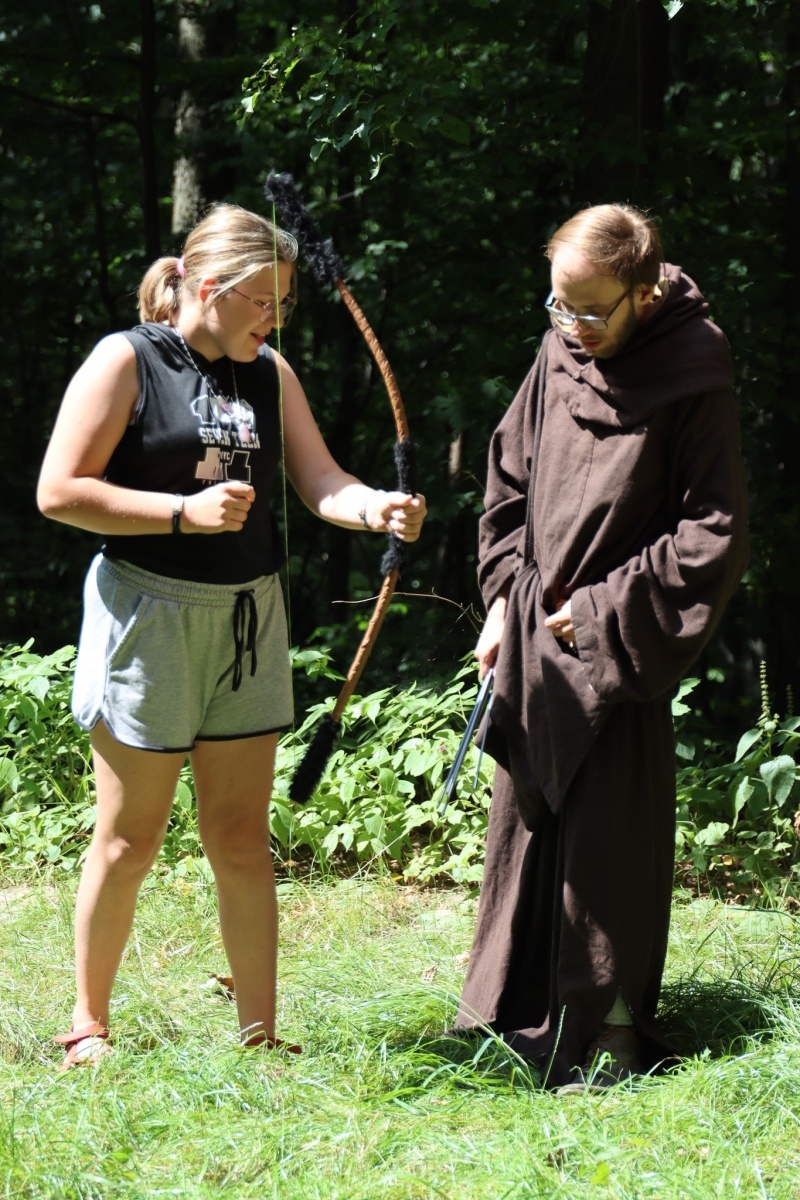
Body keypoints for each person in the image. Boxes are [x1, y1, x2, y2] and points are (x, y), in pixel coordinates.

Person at [37, 202, 426, 1070]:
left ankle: (261, 1033)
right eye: (265, 302)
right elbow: (58, 492)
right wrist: (182, 512)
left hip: (250, 619)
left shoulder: (270, 373)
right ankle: (88, 1022)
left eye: (283, 304)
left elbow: (320, 478)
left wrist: (374, 508)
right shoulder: (126, 361)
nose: (276, 319)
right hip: (150, 615)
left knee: (242, 838)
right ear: (208, 288)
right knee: (130, 835)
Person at [453, 203, 748, 1093]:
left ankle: (609, 1027)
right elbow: (510, 479)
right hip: (533, 638)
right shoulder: (560, 352)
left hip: (613, 647)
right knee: (528, 828)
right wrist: (504, 600)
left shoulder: (694, 372)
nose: (574, 330)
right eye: (558, 308)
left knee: (608, 842)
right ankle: (513, 1010)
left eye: (591, 312)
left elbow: (715, 532)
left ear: (644, 293)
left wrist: (601, 612)